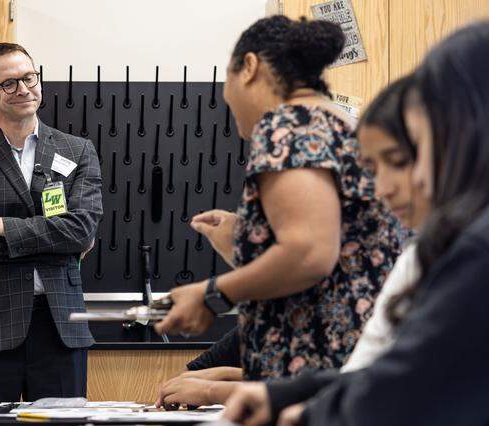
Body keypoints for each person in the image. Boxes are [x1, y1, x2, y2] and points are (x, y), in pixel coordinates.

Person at [226, 21, 489, 426]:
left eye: (418, 152)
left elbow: (410, 381)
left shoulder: (477, 250)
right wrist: (287, 393)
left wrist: (312, 410)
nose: (409, 181)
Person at [155, 15, 404, 383]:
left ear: (250, 67)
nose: (226, 95)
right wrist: (245, 240)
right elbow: (337, 251)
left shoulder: (287, 125)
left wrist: (212, 295)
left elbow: (308, 252)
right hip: (353, 367)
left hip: (317, 376)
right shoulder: (339, 124)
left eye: (228, 77)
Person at [0, 42, 102, 402]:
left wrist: (0, 225)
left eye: (29, 77)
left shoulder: (77, 151)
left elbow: (81, 231)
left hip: (60, 321)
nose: (24, 89)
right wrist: (52, 237)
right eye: (9, 83)